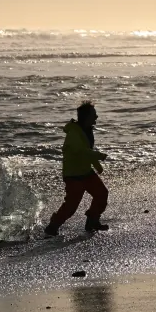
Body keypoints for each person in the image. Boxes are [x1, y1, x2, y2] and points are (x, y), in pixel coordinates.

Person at [44, 101, 110, 235]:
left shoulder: (87, 130)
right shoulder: (74, 133)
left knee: (102, 194)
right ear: (86, 117)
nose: (96, 117)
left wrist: (97, 166)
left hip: (86, 171)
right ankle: (52, 227)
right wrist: (99, 156)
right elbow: (81, 151)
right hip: (73, 175)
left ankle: (92, 220)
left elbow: (86, 151)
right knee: (71, 207)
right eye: (94, 115)